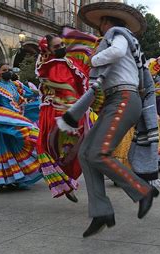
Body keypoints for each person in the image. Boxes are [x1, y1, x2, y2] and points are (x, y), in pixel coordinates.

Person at [57, 2, 160, 238]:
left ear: (107, 22)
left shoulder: (117, 34)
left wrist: (92, 60)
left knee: (97, 153)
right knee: (85, 153)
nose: (99, 29)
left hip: (124, 98)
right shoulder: (121, 38)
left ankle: (142, 191)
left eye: (100, 24)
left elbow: (116, 52)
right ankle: (101, 211)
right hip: (117, 99)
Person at [36, 31, 93, 202]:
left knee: (69, 151)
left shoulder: (67, 62)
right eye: (57, 46)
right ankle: (65, 183)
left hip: (69, 111)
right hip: (56, 112)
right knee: (51, 148)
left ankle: (67, 182)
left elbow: (78, 85)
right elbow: (65, 89)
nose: (61, 48)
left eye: (62, 44)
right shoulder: (54, 65)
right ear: (48, 49)